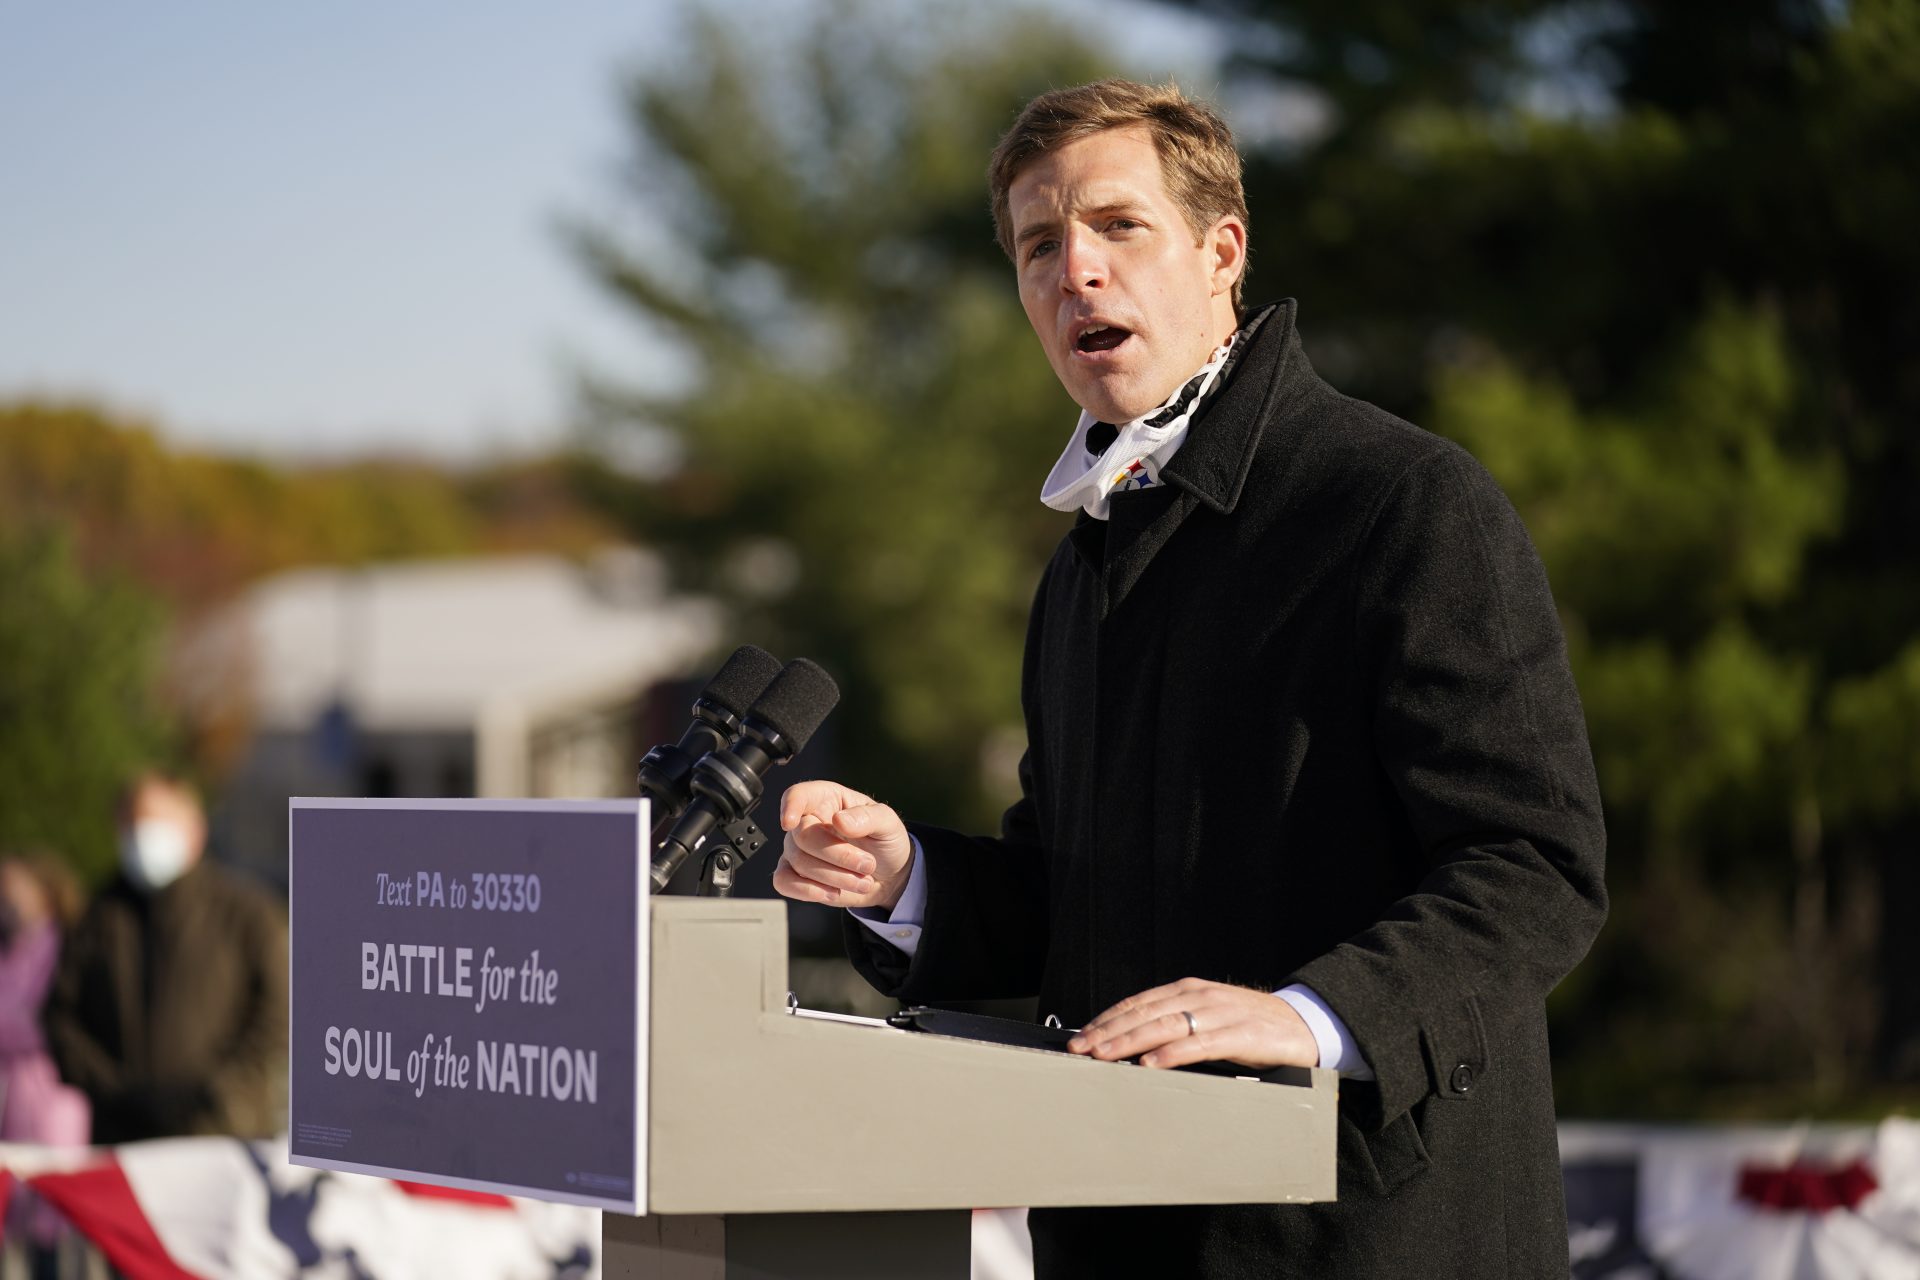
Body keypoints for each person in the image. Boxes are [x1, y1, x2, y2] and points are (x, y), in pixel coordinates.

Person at [773, 79, 1607, 1276]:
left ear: (1223, 253)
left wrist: (1312, 1015)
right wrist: (906, 880)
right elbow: (1079, 897)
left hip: (1365, 1235)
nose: (1077, 272)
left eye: (1119, 226)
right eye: (1038, 246)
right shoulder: (1081, 568)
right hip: (1120, 1228)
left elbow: (1537, 865)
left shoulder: (1402, 503)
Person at [44, 770, 288, 1144]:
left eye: (159, 822)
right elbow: (61, 1017)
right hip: (123, 1140)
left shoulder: (246, 915)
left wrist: (214, 1093)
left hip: (225, 1137)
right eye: (134, 823)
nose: (144, 836)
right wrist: (116, 1091)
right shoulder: (98, 917)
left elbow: (279, 1015)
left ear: (195, 830)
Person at [0, 853, 90, 1146]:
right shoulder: (12, 947)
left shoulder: (66, 946)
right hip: (11, 1087)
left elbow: (47, 1017)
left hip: (50, 1088)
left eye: (13, 887)